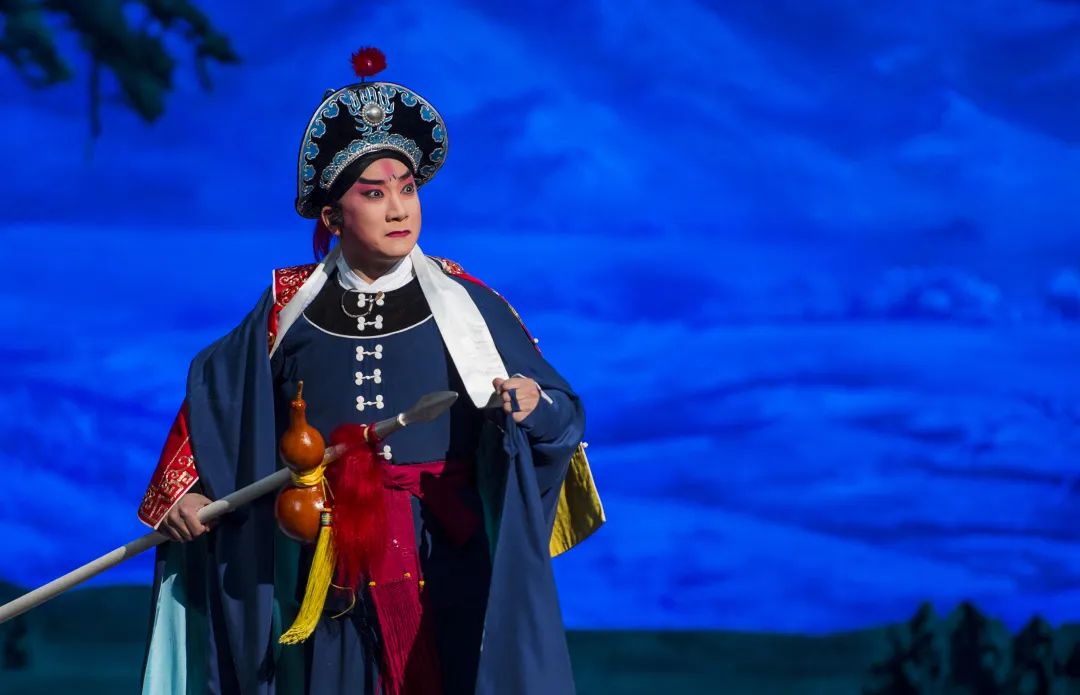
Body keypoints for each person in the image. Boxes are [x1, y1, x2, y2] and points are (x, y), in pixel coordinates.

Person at [135, 48, 604, 695]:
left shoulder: (468, 305)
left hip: (445, 563)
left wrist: (533, 405)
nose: (398, 209)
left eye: (407, 189)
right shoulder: (286, 309)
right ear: (331, 216)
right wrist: (182, 493)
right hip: (328, 567)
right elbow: (217, 400)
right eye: (374, 193)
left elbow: (561, 411)